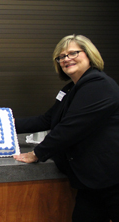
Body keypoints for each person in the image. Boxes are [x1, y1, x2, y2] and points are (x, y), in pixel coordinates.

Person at [13, 34, 119, 222]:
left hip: (112, 179)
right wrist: (2, 124)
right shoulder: (70, 89)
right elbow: (46, 120)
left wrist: (37, 153)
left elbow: (70, 127)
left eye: (72, 53)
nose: (66, 59)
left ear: (89, 55)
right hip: (92, 182)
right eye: (61, 57)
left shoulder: (99, 85)